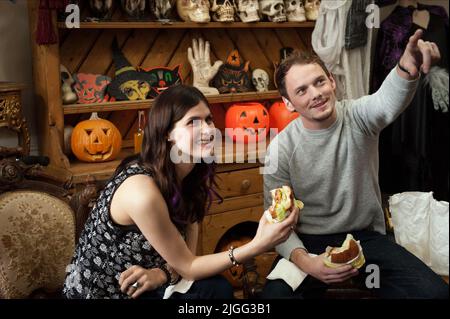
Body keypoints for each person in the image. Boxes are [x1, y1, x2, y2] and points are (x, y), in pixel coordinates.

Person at [63, 85, 298, 299]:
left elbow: (187, 256)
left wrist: (163, 272)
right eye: (193, 122)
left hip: (153, 283)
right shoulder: (142, 191)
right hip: (109, 293)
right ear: (167, 133)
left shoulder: (192, 173)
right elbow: (189, 266)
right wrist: (258, 244)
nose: (207, 130)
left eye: (208, 119)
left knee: (218, 289)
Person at [262, 29, 448, 299]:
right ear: (288, 103)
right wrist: (307, 262)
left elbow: (385, 102)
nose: (315, 93)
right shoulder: (280, 149)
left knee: (434, 294)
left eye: (319, 82)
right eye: (302, 90)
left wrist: (407, 68)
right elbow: (276, 223)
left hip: (366, 240)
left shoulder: (359, 117)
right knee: (275, 298)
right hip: (307, 245)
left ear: (332, 82)